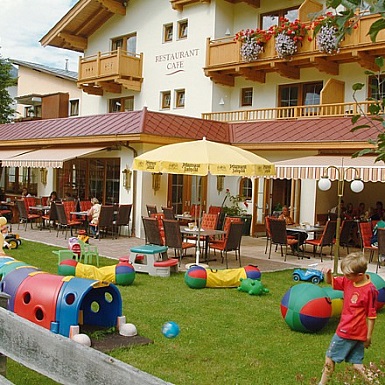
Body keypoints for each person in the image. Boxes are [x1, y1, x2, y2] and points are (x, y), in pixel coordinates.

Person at [319, 252, 378, 385]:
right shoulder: (349, 280)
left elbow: (371, 315)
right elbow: (331, 282)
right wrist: (327, 273)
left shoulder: (369, 290)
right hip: (359, 333)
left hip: (347, 330)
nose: (345, 277)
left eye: (348, 275)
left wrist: (369, 337)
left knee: (329, 358)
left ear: (360, 275)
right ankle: (375, 382)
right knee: (357, 364)